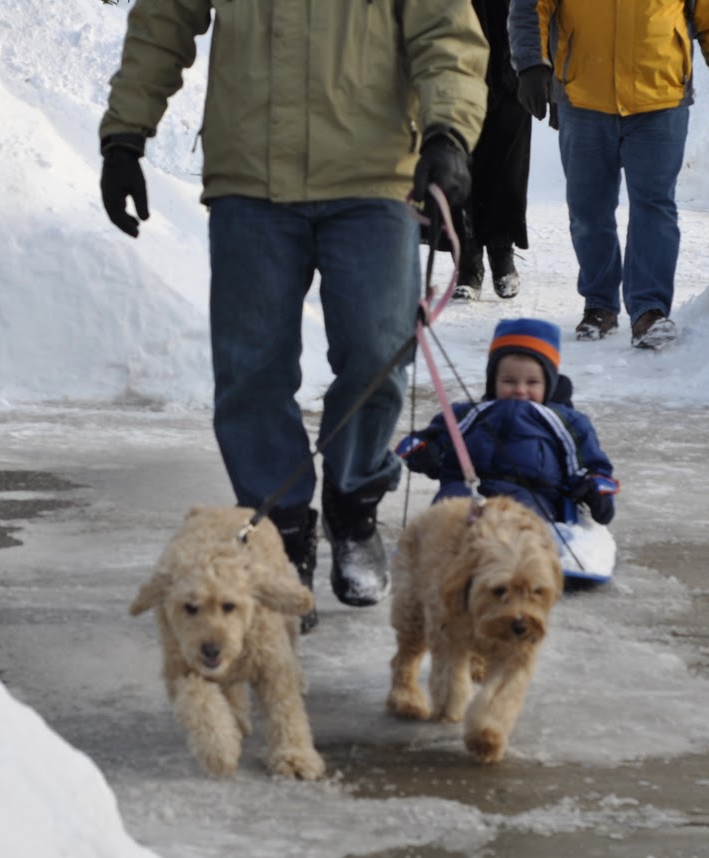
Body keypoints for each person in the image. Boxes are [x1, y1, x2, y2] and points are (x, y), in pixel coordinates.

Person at [98, 1, 489, 630]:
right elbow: (163, 19)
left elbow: (446, 31)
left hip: (373, 176)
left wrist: (449, 133)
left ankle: (354, 503)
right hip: (253, 180)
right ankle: (277, 535)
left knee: (377, 354)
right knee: (250, 370)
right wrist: (126, 134)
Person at [508, 0, 709, 349]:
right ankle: (599, 304)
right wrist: (532, 64)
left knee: (654, 206)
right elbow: (530, 6)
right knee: (588, 209)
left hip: (661, 99)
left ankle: (649, 311)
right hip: (583, 98)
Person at [396, 317, 617, 526]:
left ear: (548, 383)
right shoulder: (468, 414)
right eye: (509, 381)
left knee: (514, 525)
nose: (520, 390)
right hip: (467, 491)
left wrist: (596, 491)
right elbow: (421, 442)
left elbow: (591, 466)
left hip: (531, 498)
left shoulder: (566, 422)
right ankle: (439, 547)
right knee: (446, 514)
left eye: (532, 382)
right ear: (493, 381)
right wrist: (425, 452)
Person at [453, 0, 535, 304]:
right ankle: (468, 265)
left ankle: (502, 254)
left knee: (508, 167)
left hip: (511, 56)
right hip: (456, 55)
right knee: (460, 164)